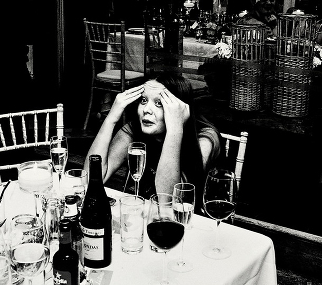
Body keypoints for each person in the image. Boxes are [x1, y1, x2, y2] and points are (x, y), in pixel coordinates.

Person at [85, 74, 222, 201]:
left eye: (159, 103)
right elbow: (90, 180)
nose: (146, 110)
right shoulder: (134, 130)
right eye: (144, 100)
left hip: (198, 222)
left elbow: (167, 200)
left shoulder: (205, 139)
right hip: (150, 215)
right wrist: (111, 119)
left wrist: (175, 129)